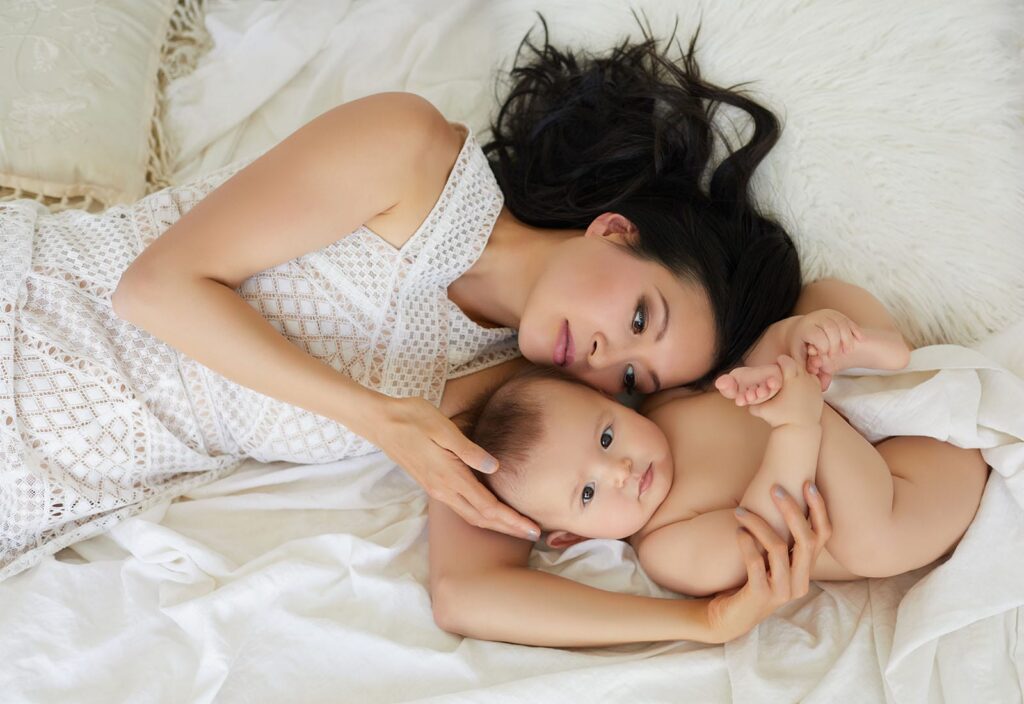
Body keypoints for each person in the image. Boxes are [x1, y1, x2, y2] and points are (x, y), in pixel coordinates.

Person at [0, 16, 828, 639]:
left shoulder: (508, 401)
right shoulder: (411, 156)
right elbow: (154, 290)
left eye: (635, 380)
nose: (609, 358)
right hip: (30, 316)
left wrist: (704, 623)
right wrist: (373, 417)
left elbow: (470, 594)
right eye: (641, 315)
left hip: (45, 487)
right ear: (614, 231)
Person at [439, 304, 988, 644]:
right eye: (587, 492)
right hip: (913, 487)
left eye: (606, 437)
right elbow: (767, 533)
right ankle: (829, 391)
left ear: (611, 399)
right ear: (571, 537)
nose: (620, 470)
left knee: (804, 317)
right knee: (869, 544)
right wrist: (797, 426)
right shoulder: (668, 548)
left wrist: (783, 351)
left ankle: (871, 344)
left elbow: (749, 365)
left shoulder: (666, 404)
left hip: (872, 416)